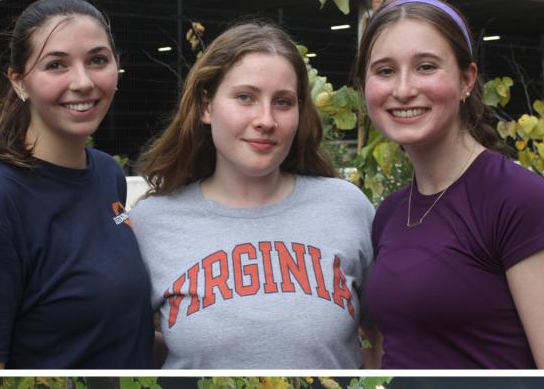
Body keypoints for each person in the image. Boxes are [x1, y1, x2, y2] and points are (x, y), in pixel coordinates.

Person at [354, 0, 544, 369]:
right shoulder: (391, 212)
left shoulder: (522, 202)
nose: (402, 89)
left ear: (467, 79)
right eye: (384, 71)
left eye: (425, 67)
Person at [129, 21, 373, 368]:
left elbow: (386, 339)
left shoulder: (347, 207)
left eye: (283, 102)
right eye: (245, 97)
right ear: (206, 106)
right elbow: (123, 348)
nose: (266, 119)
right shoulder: (151, 223)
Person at [0, 0, 151, 369]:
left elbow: (114, 336)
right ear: (19, 83)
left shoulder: (106, 174)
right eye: (56, 65)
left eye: (98, 60)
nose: (83, 82)